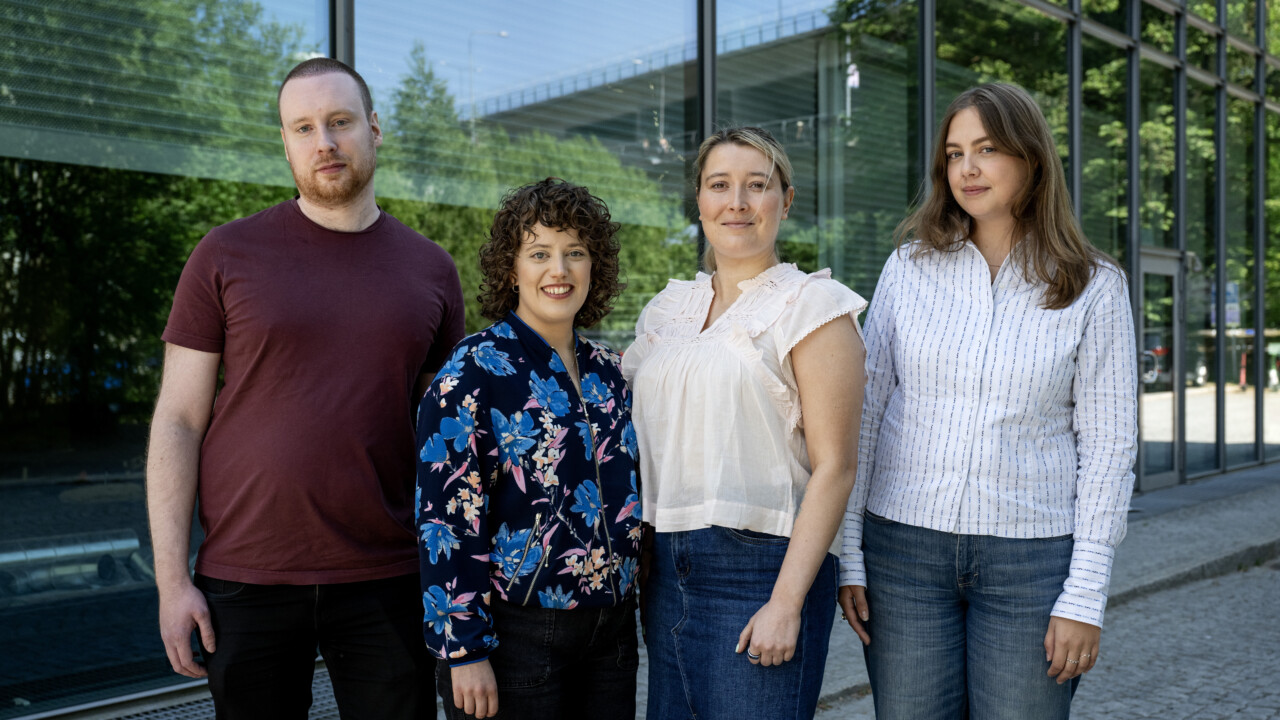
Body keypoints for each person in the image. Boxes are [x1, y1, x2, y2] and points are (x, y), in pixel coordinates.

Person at [146, 57, 464, 718]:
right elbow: (177, 419)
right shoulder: (225, 254)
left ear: (374, 129)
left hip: (388, 576)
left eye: (340, 121)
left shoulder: (431, 270)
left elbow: (447, 442)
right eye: (303, 127)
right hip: (247, 575)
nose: (324, 141)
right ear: (286, 143)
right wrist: (171, 582)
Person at [836, 82, 1138, 719]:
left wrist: (1084, 595)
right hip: (904, 554)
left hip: (1033, 562)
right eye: (953, 153)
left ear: (1031, 159)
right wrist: (851, 554)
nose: (966, 169)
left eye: (987, 148)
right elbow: (862, 418)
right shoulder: (909, 267)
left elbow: (1109, 449)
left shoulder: (1095, 286)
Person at [623, 126, 867, 720]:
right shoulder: (667, 309)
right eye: (719, 185)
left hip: (760, 569)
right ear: (700, 202)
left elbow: (837, 466)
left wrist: (787, 601)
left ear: (785, 200)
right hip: (667, 568)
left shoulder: (813, 306)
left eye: (756, 186)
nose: (737, 202)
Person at [416, 178, 642, 720]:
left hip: (611, 631)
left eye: (575, 253)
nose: (558, 270)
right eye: (539, 253)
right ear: (511, 268)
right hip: (517, 633)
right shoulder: (473, 370)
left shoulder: (611, 371)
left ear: (595, 267)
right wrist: (463, 650)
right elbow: (444, 516)